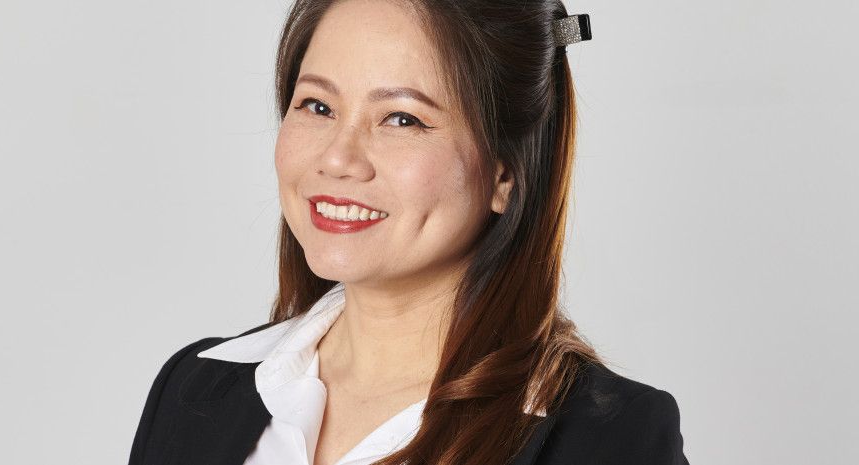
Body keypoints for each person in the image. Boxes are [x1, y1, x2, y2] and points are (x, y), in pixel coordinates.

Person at [128, 0, 689, 464]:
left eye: (402, 118)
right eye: (317, 106)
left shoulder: (607, 439)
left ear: (506, 173)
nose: (339, 158)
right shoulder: (193, 389)